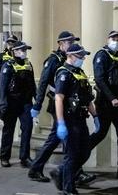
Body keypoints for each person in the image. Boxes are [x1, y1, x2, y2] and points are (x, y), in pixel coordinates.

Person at [28, 31, 80, 182]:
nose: (71, 45)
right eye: (69, 42)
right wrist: (37, 105)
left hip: (68, 104)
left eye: (72, 42)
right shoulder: (53, 60)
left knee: (57, 139)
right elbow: (43, 82)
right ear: (60, 44)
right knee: (63, 139)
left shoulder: (68, 59)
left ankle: (38, 168)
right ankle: (73, 173)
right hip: (57, 104)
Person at [49, 44, 100, 195]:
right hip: (69, 120)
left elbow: (88, 98)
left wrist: (95, 116)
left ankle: (60, 172)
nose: (83, 59)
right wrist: (60, 123)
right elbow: (58, 98)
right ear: (70, 56)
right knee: (72, 155)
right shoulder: (64, 73)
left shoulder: (80, 73)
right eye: (80, 56)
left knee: (84, 152)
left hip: (80, 118)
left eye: (83, 56)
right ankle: (68, 189)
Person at [88, 30, 118, 178]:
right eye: (113, 38)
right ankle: (76, 158)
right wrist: (112, 98)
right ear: (107, 39)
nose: (116, 41)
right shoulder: (102, 55)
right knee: (100, 133)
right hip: (106, 102)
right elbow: (99, 79)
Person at [0, 40, 36, 168]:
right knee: (9, 130)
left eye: (25, 50)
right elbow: (2, 86)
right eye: (22, 50)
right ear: (14, 51)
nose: (25, 52)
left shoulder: (28, 64)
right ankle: (4, 157)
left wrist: (36, 100)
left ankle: (24, 157)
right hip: (11, 103)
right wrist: (3, 104)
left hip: (26, 102)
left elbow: (32, 84)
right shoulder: (8, 66)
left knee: (27, 128)